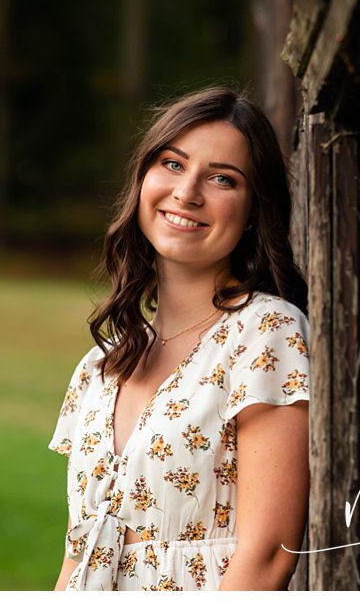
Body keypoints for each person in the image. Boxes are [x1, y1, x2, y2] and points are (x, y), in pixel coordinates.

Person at [51, 89, 310, 592]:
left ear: (256, 208)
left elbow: (268, 557)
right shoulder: (101, 367)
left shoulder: (265, 335)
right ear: (143, 179)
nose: (187, 192)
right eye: (173, 164)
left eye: (221, 179)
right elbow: (76, 557)